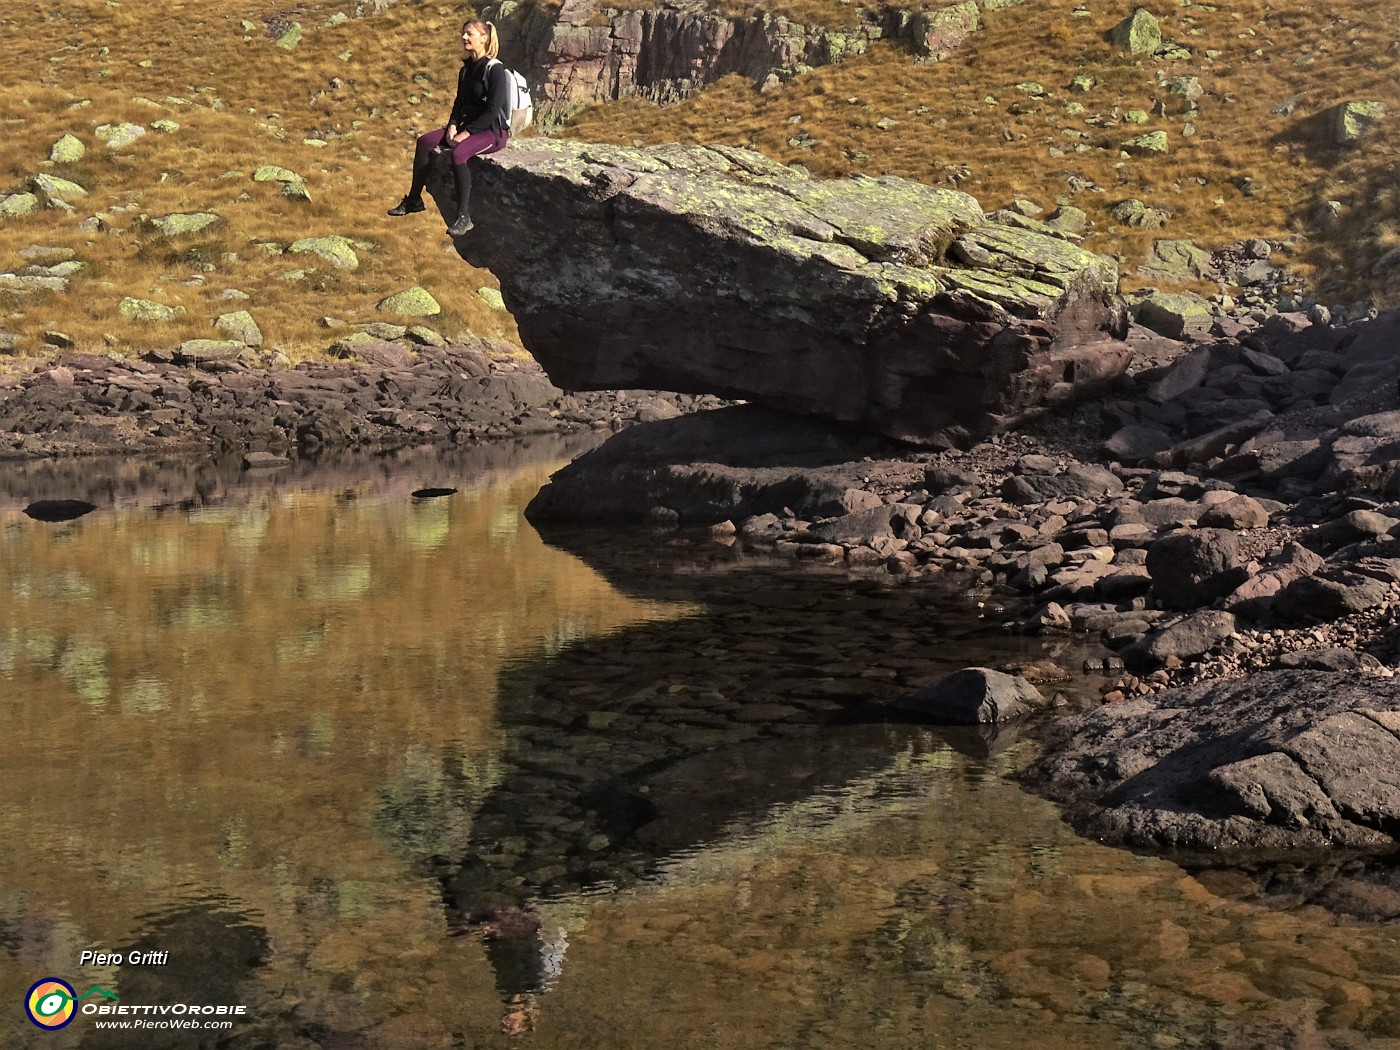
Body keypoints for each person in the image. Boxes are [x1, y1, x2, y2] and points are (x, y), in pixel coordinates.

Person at [388, 19, 511, 236]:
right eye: (463, 34)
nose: (464, 38)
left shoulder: (495, 69)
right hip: (468, 126)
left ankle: (464, 217)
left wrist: (467, 133)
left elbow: (493, 110)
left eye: (469, 34)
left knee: (459, 153)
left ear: (484, 38)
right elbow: (458, 103)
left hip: (493, 131)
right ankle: (414, 200)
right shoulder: (466, 70)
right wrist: (453, 125)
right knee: (424, 141)